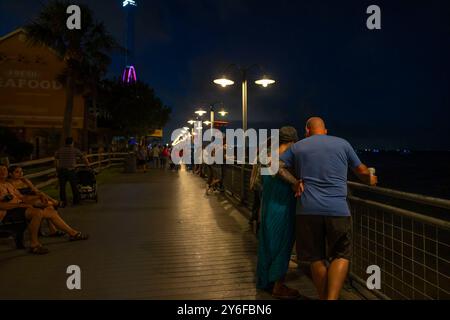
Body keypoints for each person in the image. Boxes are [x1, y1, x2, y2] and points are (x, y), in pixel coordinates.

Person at [278, 117, 377, 300]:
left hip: (307, 210)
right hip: (338, 210)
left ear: (307, 130)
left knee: (316, 257)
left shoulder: (298, 146)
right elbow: (362, 171)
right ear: (325, 130)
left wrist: (294, 183)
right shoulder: (343, 144)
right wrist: (371, 179)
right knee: (341, 254)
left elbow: (276, 166)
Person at [0, 165, 89, 254]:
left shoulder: (8, 184)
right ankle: (34, 245)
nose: (3, 172)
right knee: (37, 212)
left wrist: (38, 197)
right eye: (0, 170)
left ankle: (73, 233)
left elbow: (22, 197)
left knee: (51, 212)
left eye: (4, 169)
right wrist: (22, 205)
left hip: (19, 207)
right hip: (7, 212)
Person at [257, 126, 300, 299]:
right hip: (283, 207)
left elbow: (264, 177)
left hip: (267, 205)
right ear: (292, 141)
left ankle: (265, 281)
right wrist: (296, 182)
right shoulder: (290, 159)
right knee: (283, 245)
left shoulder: (266, 154)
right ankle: (278, 286)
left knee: (267, 244)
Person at [8, 165, 63, 237]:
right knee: (49, 206)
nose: (20, 173)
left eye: (21, 171)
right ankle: (55, 203)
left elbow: (36, 190)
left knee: (49, 206)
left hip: (35, 198)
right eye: (17, 172)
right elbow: (20, 197)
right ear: (10, 174)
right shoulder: (9, 184)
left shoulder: (25, 180)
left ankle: (53, 230)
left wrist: (41, 195)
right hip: (26, 201)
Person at [55, 137, 90, 207]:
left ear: (65, 143)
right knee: (74, 186)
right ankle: (76, 201)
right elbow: (83, 157)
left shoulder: (60, 150)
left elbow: (56, 159)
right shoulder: (74, 150)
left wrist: (57, 169)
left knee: (62, 187)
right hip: (71, 170)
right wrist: (87, 165)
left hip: (62, 170)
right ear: (72, 143)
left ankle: (63, 202)